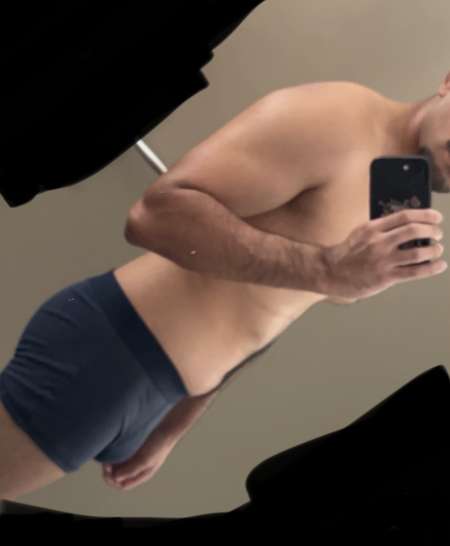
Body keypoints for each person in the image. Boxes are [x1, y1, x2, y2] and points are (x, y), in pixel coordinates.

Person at [1, 75, 448, 500]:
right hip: (113, 351)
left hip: (162, 391)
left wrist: (175, 424)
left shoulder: (395, 200)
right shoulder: (337, 120)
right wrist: (326, 269)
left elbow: (267, 310)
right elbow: (154, 217)